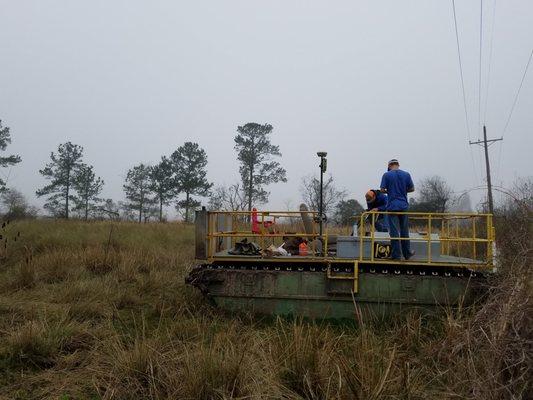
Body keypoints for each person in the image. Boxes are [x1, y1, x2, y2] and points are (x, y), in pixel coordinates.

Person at [380, 159, 415, 260]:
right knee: (404, 230)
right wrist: (403, 190)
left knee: (394, 231)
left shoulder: (387, 175)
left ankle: (396, 255)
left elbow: (382, 190)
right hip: (403, 206)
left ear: (390, 166)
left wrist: (390, 191)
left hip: (392, 206)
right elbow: (412, 189)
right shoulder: (406, 174)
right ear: (398, 165)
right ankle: (407, 253)